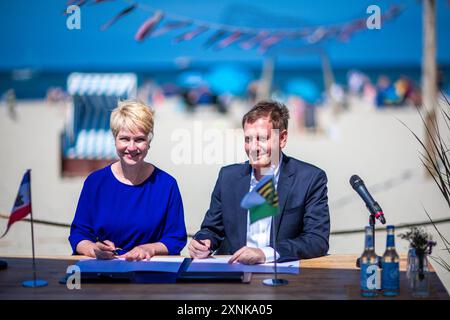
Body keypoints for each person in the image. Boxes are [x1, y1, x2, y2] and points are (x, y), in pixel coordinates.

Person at [188, 100, 330, 264]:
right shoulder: (228, 177)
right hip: (234, 274)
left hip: (284, 276)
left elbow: (317, 240)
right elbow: (211, 229)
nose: (253, 147)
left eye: (261, 139)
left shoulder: (310, 178)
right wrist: (203, 242)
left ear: (282, 138)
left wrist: (265, 254)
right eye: (248, 139)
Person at [69, 100, 187, 261]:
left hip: (151, 271)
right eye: (124, 139)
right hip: (105, 270)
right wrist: (93, 249)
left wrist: (148, 249)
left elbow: (176, 239)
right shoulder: (95, 182)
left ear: (149, 141)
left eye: (139, 139)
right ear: (115, 139)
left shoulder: (166, 185)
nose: (131, 147)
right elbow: (78, 234)